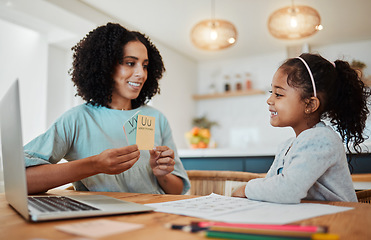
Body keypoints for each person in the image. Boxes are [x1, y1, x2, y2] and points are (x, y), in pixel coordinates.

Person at [24, 22, 190, 195]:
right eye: (130, 63)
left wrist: (161, 173)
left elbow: (177, 190)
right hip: (100, 219)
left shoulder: (157, 118)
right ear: (105, 66)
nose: (141, 73)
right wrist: (95, 165)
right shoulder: (78, 119)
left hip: (156, 215)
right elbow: (24, 180)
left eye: (145, 65)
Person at [232, 53, 370, 203]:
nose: (269, 100)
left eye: (278, 94)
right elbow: (272, 190)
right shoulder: (287, 146)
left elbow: (287, 190)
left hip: (339, 221)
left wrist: (246, 189)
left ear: (310, 105)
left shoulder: (322, 139)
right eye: (271, 92)